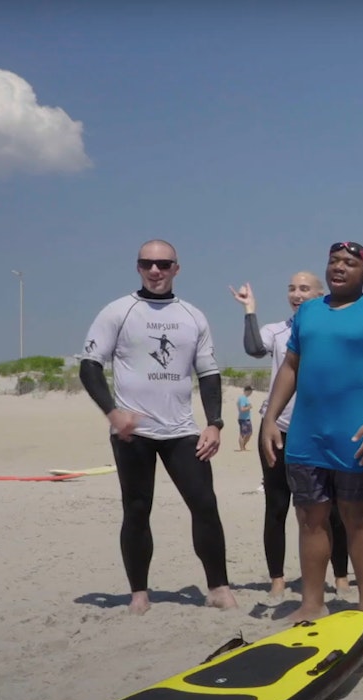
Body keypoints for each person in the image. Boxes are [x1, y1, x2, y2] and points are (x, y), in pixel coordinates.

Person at [80, 239, 235, 614]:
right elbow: (89, 366)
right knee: (136, 508)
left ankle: (218, 587)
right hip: (133, 431)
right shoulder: (119, 311)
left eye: (163, 265)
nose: (155, 271)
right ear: (137, 267)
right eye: (147, 264)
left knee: (205, 504)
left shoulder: (192, 315)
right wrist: (113, 414)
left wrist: (214, 423)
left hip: (182, 430)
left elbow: (209, 373)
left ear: (176, 269)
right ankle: (139, 594)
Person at [260, 241, 363, 621]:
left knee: (358, 515)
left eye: (349, 263)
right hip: (306, 434)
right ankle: (311, 601)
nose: (339, 268)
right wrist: (269, 418)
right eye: (333, 262)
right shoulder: (308, 312)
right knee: (310, 517)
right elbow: (290, 367)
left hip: (357, 435)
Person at [231, 274, 351, 598]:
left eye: (304, 289)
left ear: (320, 293)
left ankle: (340, 576)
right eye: (291, 289)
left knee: (333, 507)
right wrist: (249, 310)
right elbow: (254, 347)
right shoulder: (277, 331)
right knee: (277, 505)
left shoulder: (334, 329)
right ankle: (278, 580)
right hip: (279, 429)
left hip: (323, 431)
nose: (296, 294)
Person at [236, 387, 254, 451]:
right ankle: (242, 448)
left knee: (249, 433)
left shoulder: (244, 398)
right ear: (247, 391)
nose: (251, 393)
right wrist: (249, 407)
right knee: (243, 434)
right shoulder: (243, 398)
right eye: (251, 391)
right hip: (244, 419)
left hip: (246, 418)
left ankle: (243, 446)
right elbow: (242, 409)